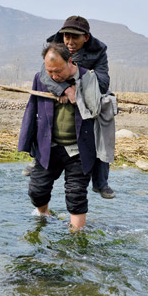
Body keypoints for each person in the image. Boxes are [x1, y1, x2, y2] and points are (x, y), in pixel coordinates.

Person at [23, 15, 115, 199]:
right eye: (67, 37)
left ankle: (101, 182)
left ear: (86, 38)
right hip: (57, 91)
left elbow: (103, 82)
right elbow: (45, 73)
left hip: (88, 94)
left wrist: (79, 86)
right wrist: (64, 89)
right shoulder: (55, 46)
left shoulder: (98, 51)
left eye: (75, 37)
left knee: (103, 130)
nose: (70, 42)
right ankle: (38, 160)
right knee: (43, 122)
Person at [18, 43, 97, 230]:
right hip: (49, 146)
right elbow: (32, 109)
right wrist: (26, 142)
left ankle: (76, 235)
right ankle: (44, 215)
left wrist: (78, 97)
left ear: (69, 61)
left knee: (76, 194)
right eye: (50, 71)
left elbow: (98, 110)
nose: (54, 76)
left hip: (78, 149)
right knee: (37, 191)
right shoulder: (41, 78)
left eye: (58, 71)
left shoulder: (88, 78)